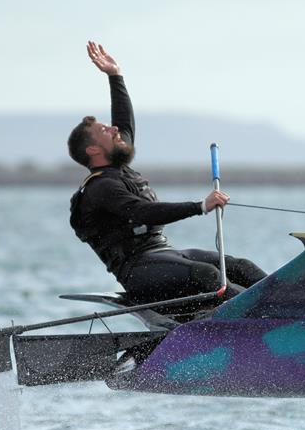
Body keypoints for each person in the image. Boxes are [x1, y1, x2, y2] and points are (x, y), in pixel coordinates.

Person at [68, 41, 266, 303]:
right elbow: (142, 211)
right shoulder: (100, 188)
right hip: (139, 271)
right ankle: (256, 321)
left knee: (239, 266)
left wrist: (115, 76)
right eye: (106, 131)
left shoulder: (119, 168)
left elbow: (125, 122)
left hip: (165, 254)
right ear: (93, 150)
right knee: (208, 275)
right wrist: (200, 206)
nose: (115, 130)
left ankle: (296, 303)